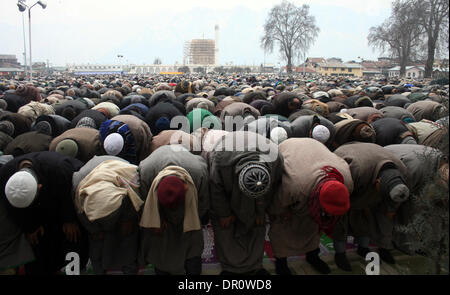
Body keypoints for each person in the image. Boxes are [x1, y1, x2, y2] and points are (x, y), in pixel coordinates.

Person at [268, 138, 353, 275]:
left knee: (314, 224)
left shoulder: (346, 181)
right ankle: (281, 262)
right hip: (290, 149)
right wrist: (281, 211)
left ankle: (313, 256)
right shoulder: (294, 186)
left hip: (314, 152)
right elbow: (276, 204)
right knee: (281, 224)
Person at [0, 151, 89, 274]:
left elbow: (71, 195)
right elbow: (12, 208)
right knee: (40, 248)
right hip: (36, 215)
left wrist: (69, 219)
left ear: (39, 187)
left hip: (65, 204)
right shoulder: (6, 173)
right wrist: (29, 227)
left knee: (72, 240)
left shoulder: (60, 169)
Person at [207, 131, 283, 275]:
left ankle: (254, 265)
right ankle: (230, 268)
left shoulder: (275, 157)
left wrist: (261, 211)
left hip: (261, 196)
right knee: (224, 225)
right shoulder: (220, 158)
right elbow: (215, 189)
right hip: (227, 176)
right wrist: (224, 213)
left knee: (257, 223)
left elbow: (275, 186)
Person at [333, 143, 410, 271]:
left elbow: (394, 200)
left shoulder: (402, 170)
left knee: (367, 216)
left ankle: (365, 248)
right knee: (342, 217)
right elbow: (342, 197)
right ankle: (340, 253)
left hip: (370, 167)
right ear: (378, 182)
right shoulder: (356, 169)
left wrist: (391, 209)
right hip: (348, 167)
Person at [138, 145, 209, 275]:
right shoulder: (146, 171)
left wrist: (192, 219)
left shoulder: (198, 172)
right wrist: (156, 220)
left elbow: (203, 202)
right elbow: (143, 201)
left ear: (186, 188)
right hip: (161, 212)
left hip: (189, 208)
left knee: (192, 244)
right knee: (160, 246)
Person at [73, 156, 144, 274]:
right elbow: (79, 211)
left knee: (128, 239)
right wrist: (94, 229)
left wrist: (128, 218)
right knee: (97, 244)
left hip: (122, 198)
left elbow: (134, 197)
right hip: (95, 213)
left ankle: (130, 270)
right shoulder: (79, 186)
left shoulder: (131, 175)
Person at [384, 144, 449, 254]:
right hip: (389, 164)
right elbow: (399, 196)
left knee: (420, 205)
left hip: (410, 166)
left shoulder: (440, 164)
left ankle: (415, 243)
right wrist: (391, 210)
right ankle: (397, 243)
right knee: (400, 207)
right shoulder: (416, 169)